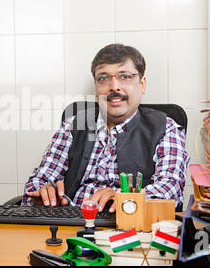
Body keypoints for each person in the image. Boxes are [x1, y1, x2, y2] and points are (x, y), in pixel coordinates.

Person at [22, 43, 189, 212]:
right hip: (70, 223)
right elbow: (38, 181)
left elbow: (171, 189)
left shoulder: (166, 128)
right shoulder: (74, 125)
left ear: (142, 84)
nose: (114, 86)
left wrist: (125, 197)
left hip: (129, 227)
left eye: (125, 76)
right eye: (103, 78)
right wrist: (43, 193)